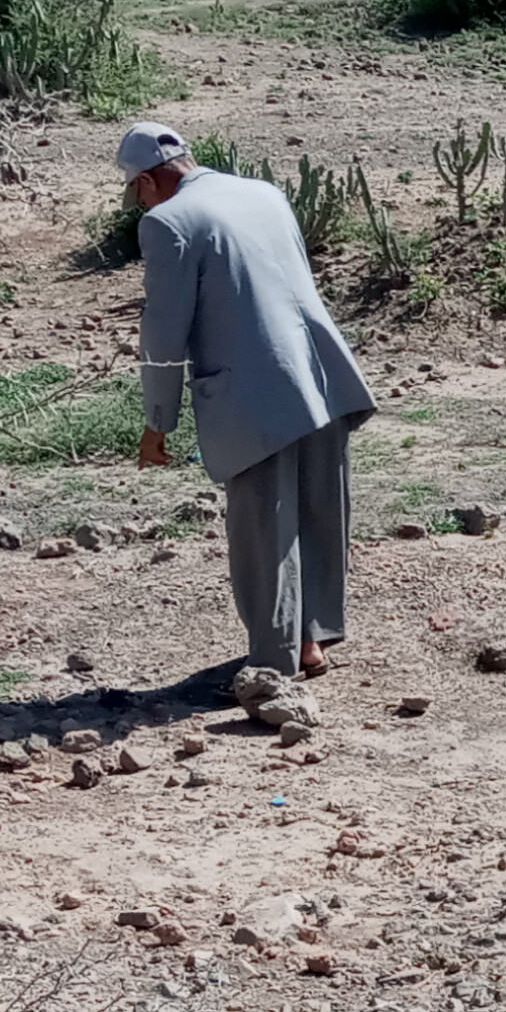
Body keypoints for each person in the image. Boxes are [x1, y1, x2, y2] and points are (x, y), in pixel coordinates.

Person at [119, 120, 378, 683]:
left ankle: (272, 663)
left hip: (252, 393)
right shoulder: (264, 192)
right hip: (321, 375)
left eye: (134, 190)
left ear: (146, 181)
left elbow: (163, 334)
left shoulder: (167, 223)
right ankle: (311, 641)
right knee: (318, 510)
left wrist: (158, 420)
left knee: (264, 529)